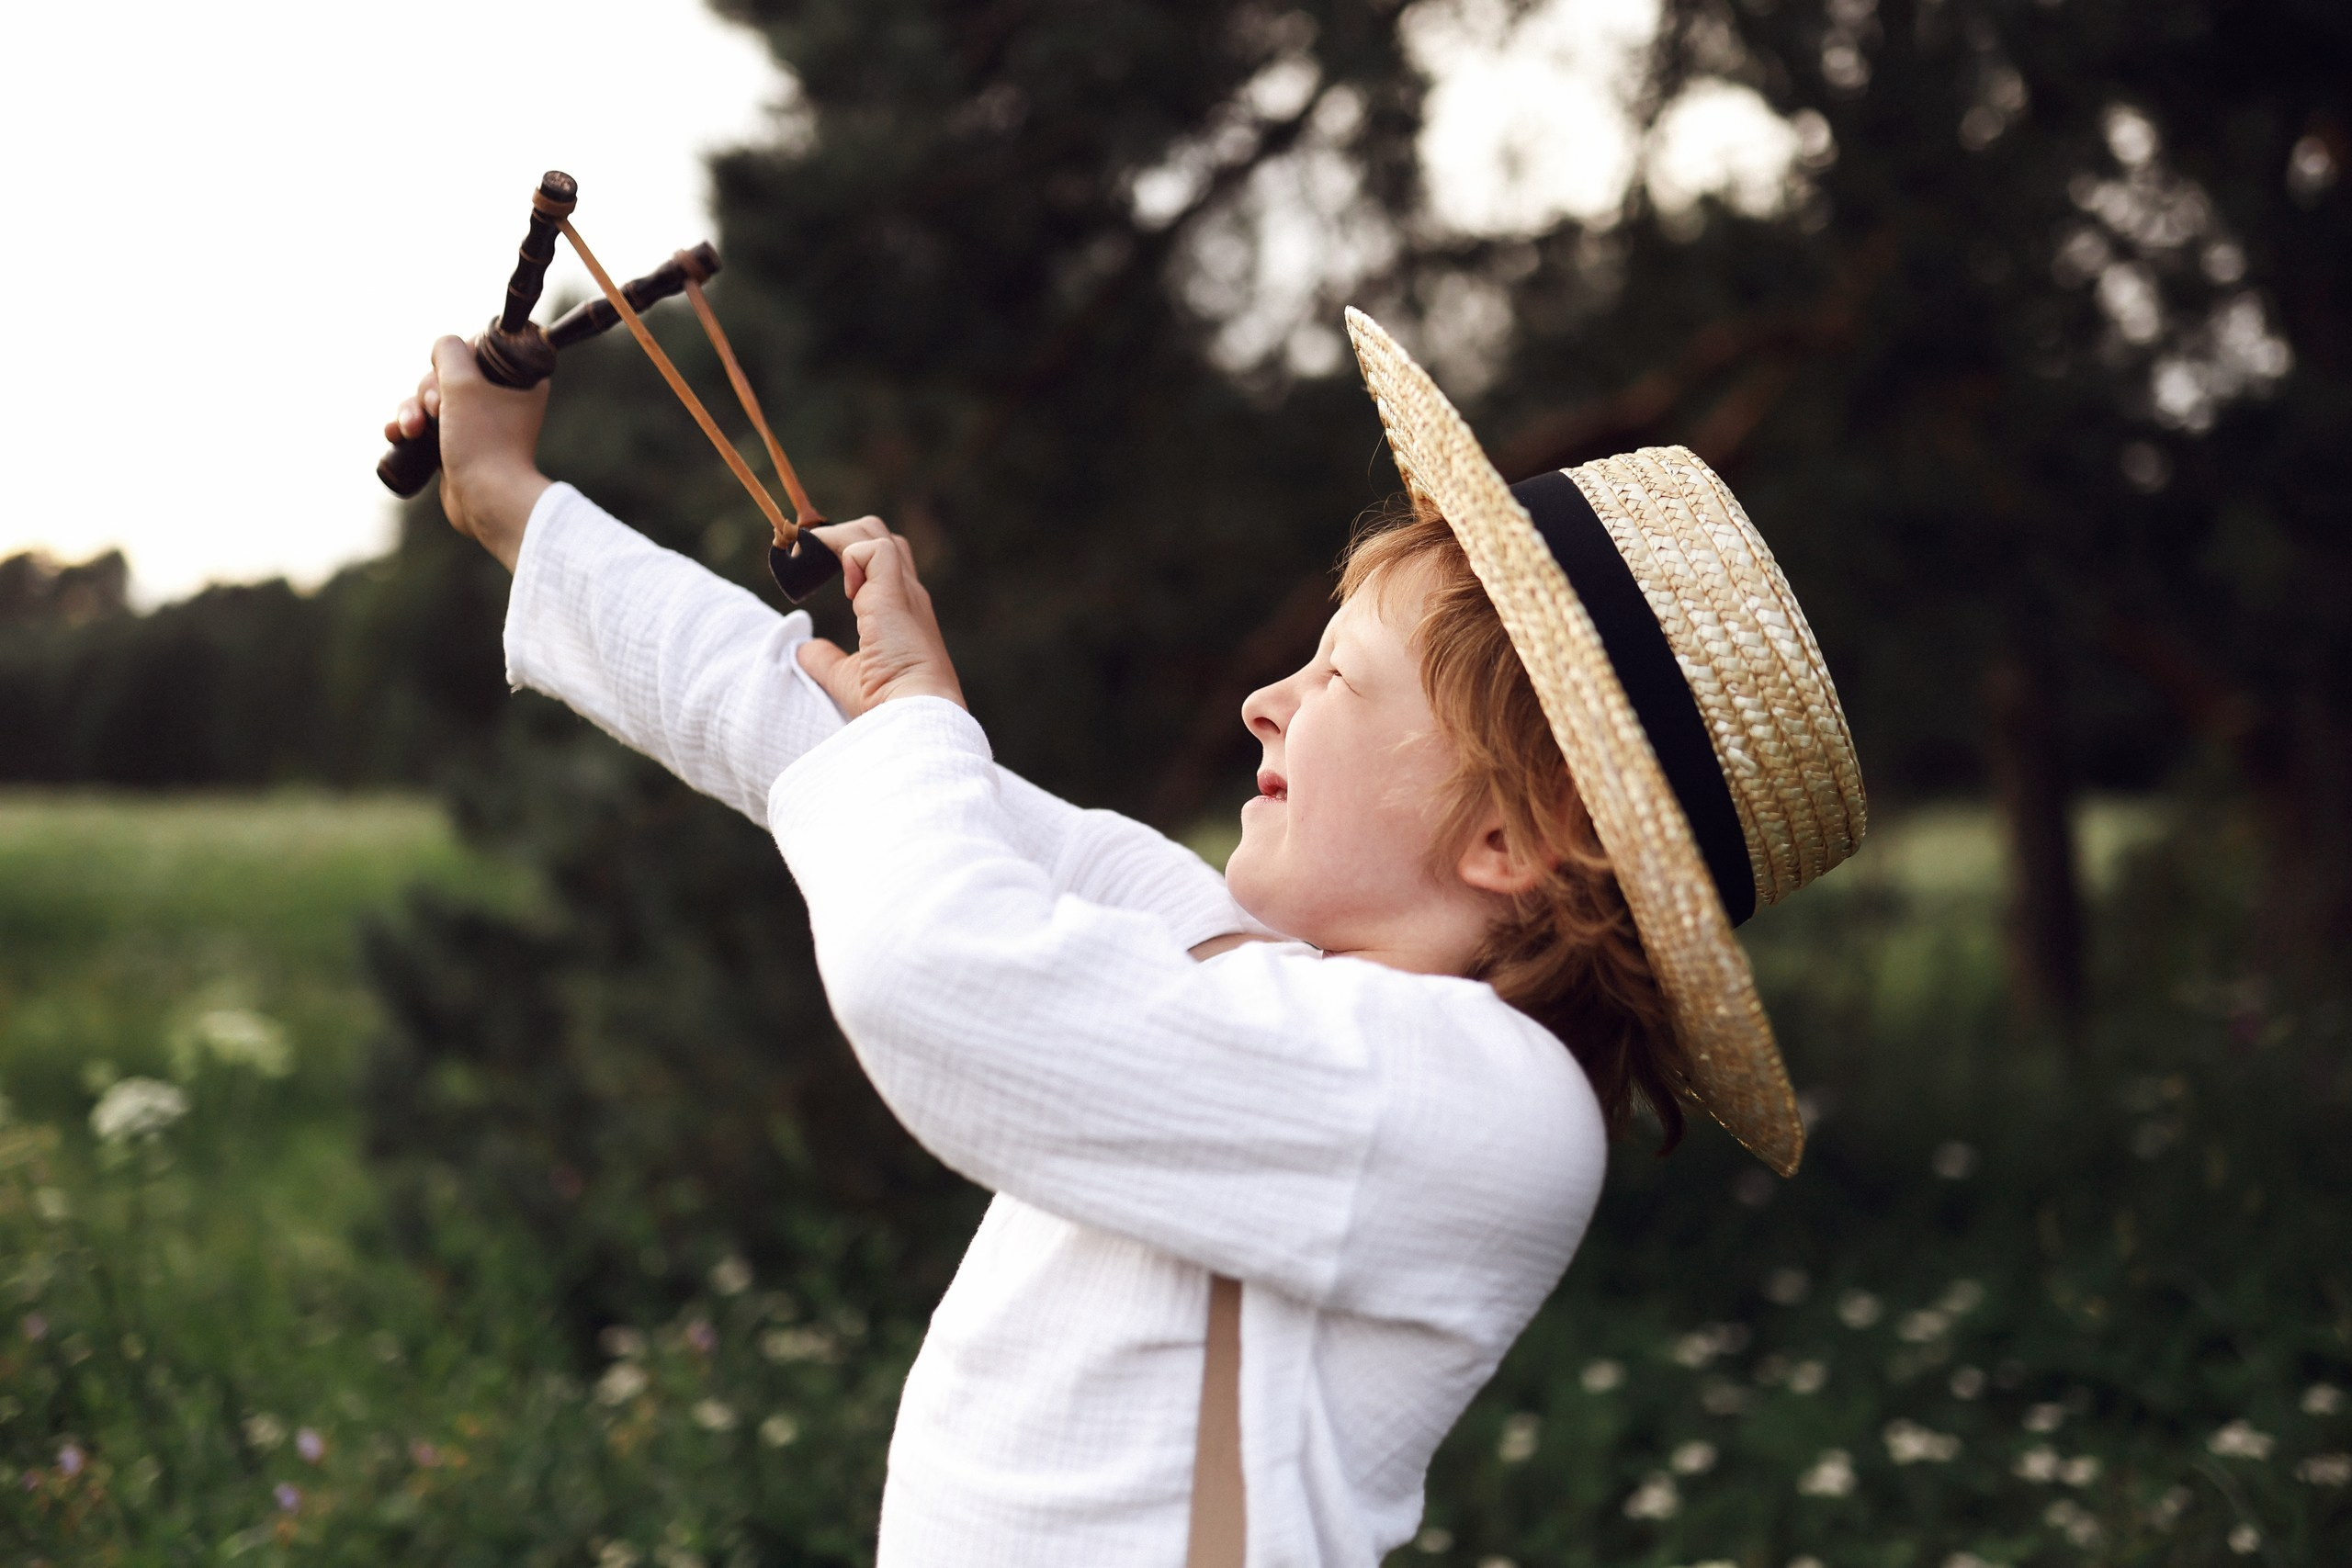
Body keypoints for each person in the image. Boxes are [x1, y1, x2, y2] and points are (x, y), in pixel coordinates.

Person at [387, 306, 1864, 1567]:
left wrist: (920, 730)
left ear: (1512, 840)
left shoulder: (1490, 1106)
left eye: (1339, 677)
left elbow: (937, 972)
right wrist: (514, 505)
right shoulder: (1237, 960)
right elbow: (818, 745)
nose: (1264, 701)